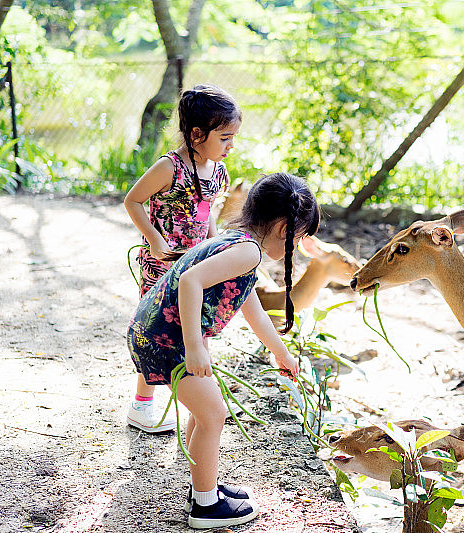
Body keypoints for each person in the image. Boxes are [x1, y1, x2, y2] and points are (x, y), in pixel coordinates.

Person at [126, 172, 317, 528]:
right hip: (167, 341)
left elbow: (252, 307)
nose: (299, 245)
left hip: (155, 333)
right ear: (282, 229)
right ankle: (205, 506)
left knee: (205, 412)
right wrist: (195, 347)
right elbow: (190, 280)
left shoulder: (239, 241)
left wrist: (281, 353)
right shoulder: (248, 251)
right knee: (214, 414)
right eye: (300, 236)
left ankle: (203, 488)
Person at [123, 84, 240, 433]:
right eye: (224, 137)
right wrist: (155, 239)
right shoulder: (169, 167)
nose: (231, 145)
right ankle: (142, 406)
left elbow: (206, 216)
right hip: (162, 268)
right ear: (196, 133)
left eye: (233, 137)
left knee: (197, 334)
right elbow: (132, 201)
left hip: (197, 270)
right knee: (158, 335)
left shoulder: (217, 171)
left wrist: (216, 246)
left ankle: (200, 407)